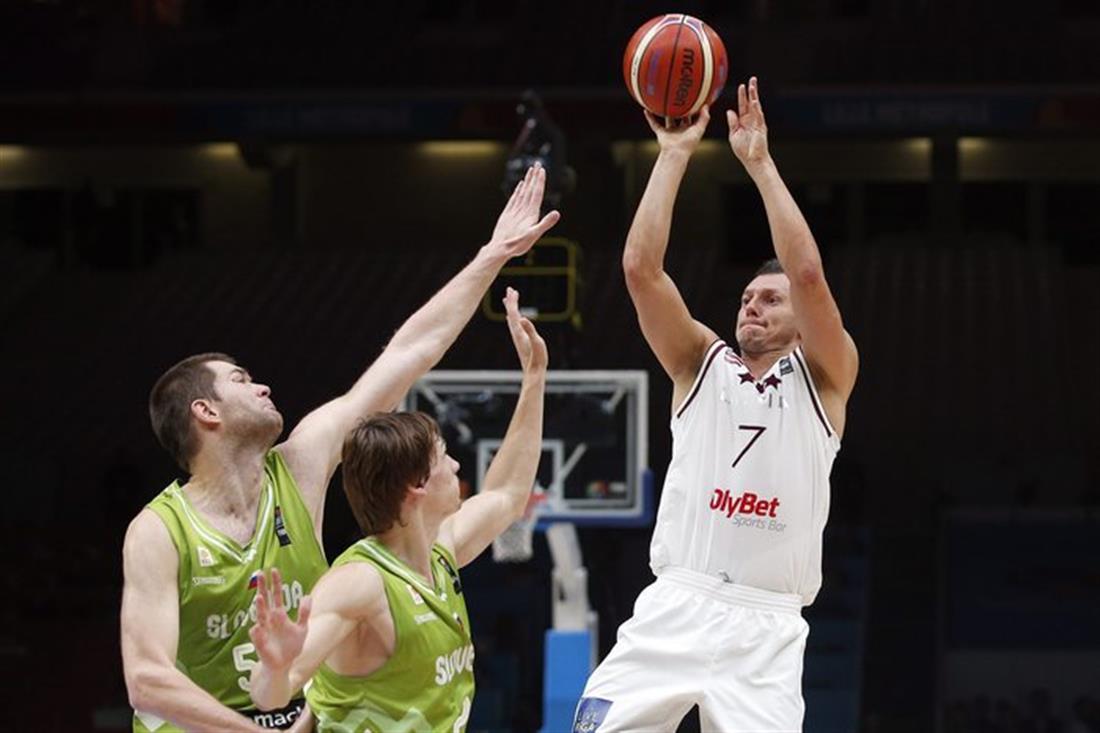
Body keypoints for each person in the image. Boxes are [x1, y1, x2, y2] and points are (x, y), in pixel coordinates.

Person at [120, 166, 560, 733]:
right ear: (205, 412)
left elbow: (410, 351)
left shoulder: (300, 464)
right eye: (240, 379)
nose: (262, 385)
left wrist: (491, 255)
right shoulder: (159, 531)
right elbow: (147, 681)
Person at [573, 77, 859, 732]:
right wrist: (673, 152)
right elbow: (641, 270)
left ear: (799, 319)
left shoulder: (826, 377)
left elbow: (809, 276)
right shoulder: (699, 361)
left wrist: (758, 164)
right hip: (677, 602)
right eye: (746, 297)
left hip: (767, 624)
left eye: (769, 298)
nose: (750, 305)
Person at [244, 287, 547, 733]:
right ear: (418, 485)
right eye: (445, 455)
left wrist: (535, 378)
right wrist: (274, 665)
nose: (457, 465)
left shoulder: (440, 552)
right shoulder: (358, 585)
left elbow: (507, 495)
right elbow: (271, 693)